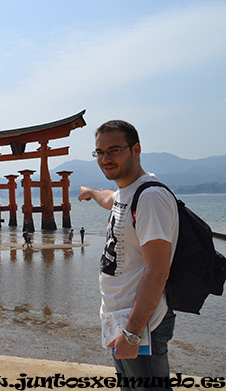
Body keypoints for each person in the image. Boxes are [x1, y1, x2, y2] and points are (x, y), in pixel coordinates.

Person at [78, 119, 178, 386]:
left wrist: (132, 334)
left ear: (136, 150)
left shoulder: (150, 197)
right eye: (99, 152)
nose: (105, 158)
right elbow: (109, 198)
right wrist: (90, 192)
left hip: (142, 326)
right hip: (118, 319)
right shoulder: (125, 193)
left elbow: (158, 271)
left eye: (114, 150)